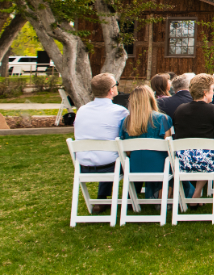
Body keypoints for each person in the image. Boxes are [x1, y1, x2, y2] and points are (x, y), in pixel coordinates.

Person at [74, 73, 129, 212]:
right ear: (111, 90)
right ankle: (131, 197)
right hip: (110, 166)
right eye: (115, 85)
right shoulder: (120, 112)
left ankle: (102, 197)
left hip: (83, 165)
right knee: (127, 153)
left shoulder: (82, 110)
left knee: (110, 153)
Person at [172, 73, 214, 205]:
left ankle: (197, 194)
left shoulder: (180, 110)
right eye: (212, 90)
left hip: (182, 161)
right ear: (205, 92)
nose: (213, 93)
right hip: (207, 162)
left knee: (206, 152)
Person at [119, 85, 173, 199]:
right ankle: (164, 196)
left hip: (134, 167)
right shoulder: (162, 119)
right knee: (173, 162)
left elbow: (127, 152)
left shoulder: (125, 122)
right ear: (151, 99)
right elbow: (169, 148)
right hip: (160, 167)